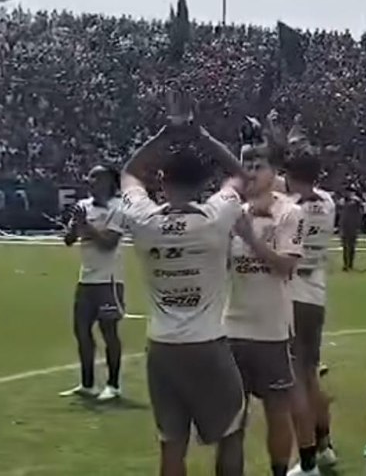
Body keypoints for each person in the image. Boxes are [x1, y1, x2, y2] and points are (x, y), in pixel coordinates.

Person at [120, 123, 247, 476]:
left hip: (161, 347)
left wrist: (162, 135)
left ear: (161, 182)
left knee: (171, 443)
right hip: (207, 344)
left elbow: (130, 173)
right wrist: (204, 136)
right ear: (205, 185)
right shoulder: (215, 217)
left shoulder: (144, 219)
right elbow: (239, 175)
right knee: (231, 434)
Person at [226, 144, 305, 476]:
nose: (251, 172)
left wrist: (250, 238)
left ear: (274, 173)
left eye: (258, 166)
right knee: (231, 418)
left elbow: (286, 266)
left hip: (270, 330)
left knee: (276, 409)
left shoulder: (290, 213)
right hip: (230, 328)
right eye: (246, 165)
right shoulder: (233, 213)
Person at [284, 147, 338, 476]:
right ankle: (325, 444)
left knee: (297, 381)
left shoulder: (290, 210)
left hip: (292, 297)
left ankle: (308, 459)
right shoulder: (327, 202)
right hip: (315, 295)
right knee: (310, 375)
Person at [60, 165, 125, 401]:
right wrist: (75, 226)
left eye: (98, 177)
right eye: (91, 176)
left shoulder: (118, 208)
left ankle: (113, 385)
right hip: (86, 279)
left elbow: (109, 243)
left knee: (109, 332)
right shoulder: (83, 206)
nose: (92, 180)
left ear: (110, 181)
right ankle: (87, 384)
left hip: (108, 280)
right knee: (81, 332)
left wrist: (86, 227)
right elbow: (69, 240)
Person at [338, 188, 363, 272]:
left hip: (352, 226)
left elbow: (360, 207)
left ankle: (350, 264)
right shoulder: (342, 201)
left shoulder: (355, 201)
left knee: (351, 246)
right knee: (345, 246)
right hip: (344, 226)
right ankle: (345, 264)